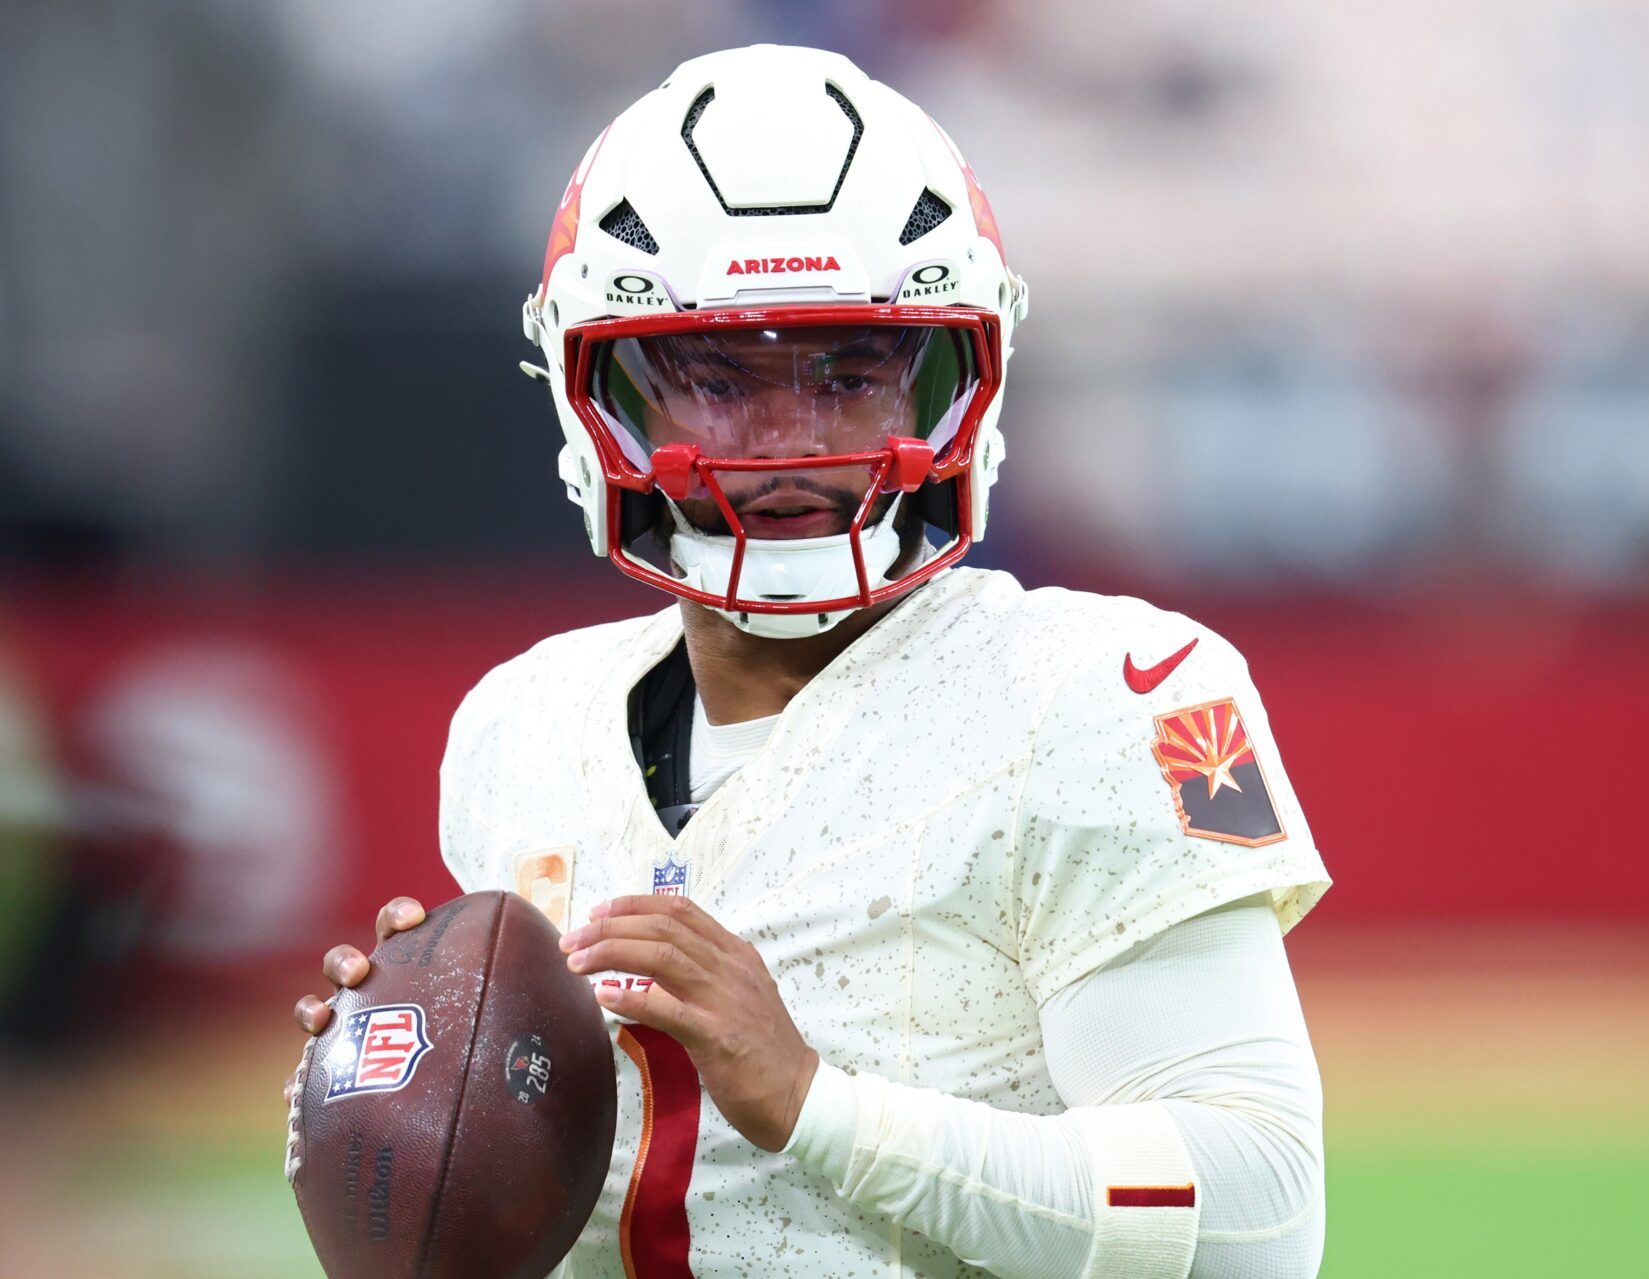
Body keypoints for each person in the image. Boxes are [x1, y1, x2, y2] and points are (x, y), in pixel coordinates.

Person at [288, 44, 1331, 1279]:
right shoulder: (521, 726)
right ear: (600, 390)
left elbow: (1256, 1227)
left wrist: (816, 1105)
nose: (786, 439)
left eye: (850, 372)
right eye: (718, 376)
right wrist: (414, 1095)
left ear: (956, 374)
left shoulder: (1112, 694)